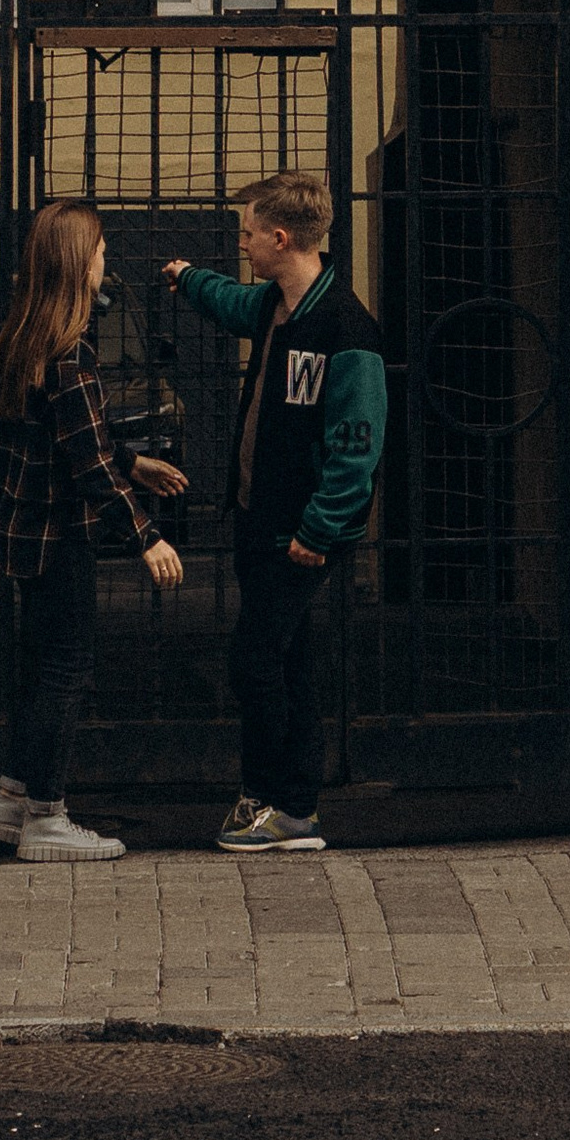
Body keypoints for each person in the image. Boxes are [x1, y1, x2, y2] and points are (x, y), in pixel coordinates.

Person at [164, 170, 385, 855]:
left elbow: (357, 447)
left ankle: (275, 801)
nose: (243, 243)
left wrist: (318, 531)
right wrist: (186, 276)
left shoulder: (345, 328)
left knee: (255, 660)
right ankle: (293, 808)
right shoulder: (276, 307)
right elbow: (229, 301)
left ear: (280, 237)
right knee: (288, 661)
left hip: (299, 534)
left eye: (248, 233)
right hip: (262, 521)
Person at [0, 198, 187, 864]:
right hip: (57, 535)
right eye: (100, 250)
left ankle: (12, 799)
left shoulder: (24, 337)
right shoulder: (70, 352)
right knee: (68, 668)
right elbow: (89, 463)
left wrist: (136, 461)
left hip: (24, 533)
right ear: (77, 262)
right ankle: (47, 815)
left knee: (43, 667)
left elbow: (74, 438)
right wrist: (146, 536)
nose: (107, 260)